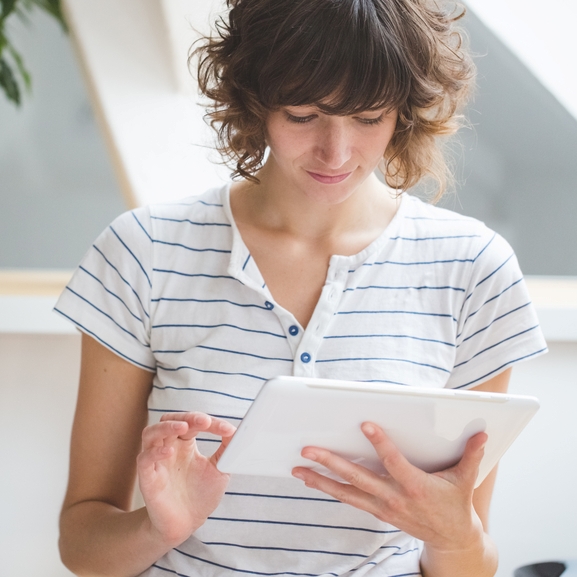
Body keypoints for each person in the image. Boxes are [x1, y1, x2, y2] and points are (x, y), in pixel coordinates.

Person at [55, 0, 547, 575]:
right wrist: (157, 525)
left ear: (403, 112)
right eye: (302, 114)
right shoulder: (146, 250)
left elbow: (470, 559)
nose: (335, 153)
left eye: (368, 118)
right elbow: (82, 544)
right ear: (254, 101)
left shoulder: (473, 269)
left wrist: (455, 538)